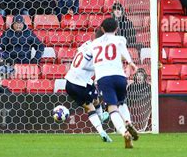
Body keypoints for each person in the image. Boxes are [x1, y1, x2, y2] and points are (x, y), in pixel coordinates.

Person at [91, 17, 139, 148]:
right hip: (120, 76)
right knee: (122, 102)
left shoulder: (94, 43)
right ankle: (128, 121)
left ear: (102, 29)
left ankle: (124, 133)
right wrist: (130, 63)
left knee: (112, 107)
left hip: (104, 78)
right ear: (117, 28)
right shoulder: (120, 39)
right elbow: (123, 50)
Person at [64, 39, 111, 142]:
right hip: (80, 84)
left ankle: (101, 117)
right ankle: (102, 131)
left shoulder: (87, 43)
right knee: (90, 108)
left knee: (95, 100)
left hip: (70, 83)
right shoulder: (99, 52)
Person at [126, 68, 151, 132]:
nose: (139, 77)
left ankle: (146, 127)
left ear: (144, 77)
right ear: (135, 76)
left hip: (145, 111)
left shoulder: (148, 86)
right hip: (133, 111)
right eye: (138, 75)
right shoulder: (131, 86)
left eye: (141, 75)